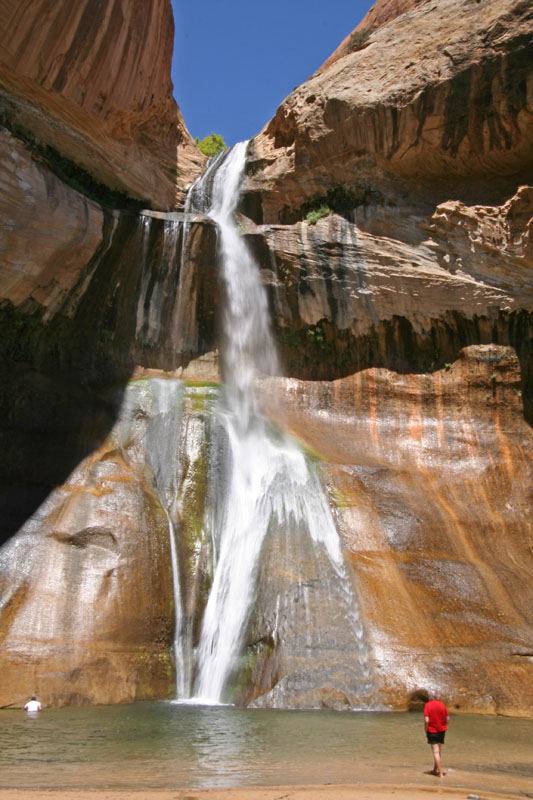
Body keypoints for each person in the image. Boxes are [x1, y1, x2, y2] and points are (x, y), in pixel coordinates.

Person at [424, 693, 449, 777]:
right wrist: (446, 726)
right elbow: (448, 718)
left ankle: (440, 773)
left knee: (435, 751)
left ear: (430, 699)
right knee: (438, 750)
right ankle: (435, 769)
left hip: (432, 730)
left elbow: (427, 720)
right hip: (442, 730)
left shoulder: (427, 705)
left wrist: (426, 729)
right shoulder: (442, 704)